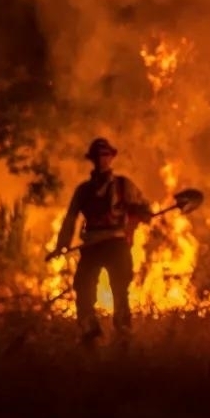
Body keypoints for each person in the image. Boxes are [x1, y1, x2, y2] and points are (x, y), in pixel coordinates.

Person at [52, 137, 153, 346]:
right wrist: (61, 245)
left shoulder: (124, 185)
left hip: (117, 243)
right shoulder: (83, 190)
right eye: (97, 156)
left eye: (105, 155)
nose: (101, 160)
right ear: (92, 159)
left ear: (111, 157)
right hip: (92, 246)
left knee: (120, 290)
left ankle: (123, 334)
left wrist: (139, 217)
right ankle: (91, 333)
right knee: (83, 287)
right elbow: (71, 218)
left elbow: (145, 209)